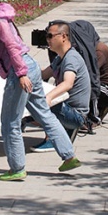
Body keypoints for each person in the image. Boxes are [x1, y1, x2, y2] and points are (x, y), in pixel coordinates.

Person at [0, 0, 81, 180]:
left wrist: (20, 74)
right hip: (27, 67)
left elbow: (12, 46)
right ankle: (69, 156)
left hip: (21, 71)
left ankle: (17, 168)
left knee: (10, 121)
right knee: (44, 114)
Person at [32, 21, 91, 152]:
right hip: (66, 108)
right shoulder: (60, 58)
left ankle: (54, 141)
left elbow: (68, 83)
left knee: (42, 102)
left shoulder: (71, 58)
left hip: (75, 115)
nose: (47, 39)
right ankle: (59, 133)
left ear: (64, 37)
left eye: (50, 36)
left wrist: (48, 98)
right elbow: (42, 75)